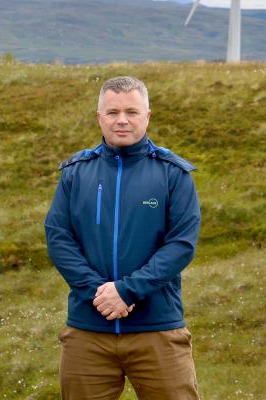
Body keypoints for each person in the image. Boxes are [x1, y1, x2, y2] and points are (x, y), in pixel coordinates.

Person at [44, 76, 202, 399]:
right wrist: (100, 294)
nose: (122, 120)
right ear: (98, 117)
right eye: (113, 112)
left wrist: (127, 291)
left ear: (148, 116)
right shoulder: (75, 173)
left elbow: (181, 245)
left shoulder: (173, 174)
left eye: (131, 111)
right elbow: (58, 238)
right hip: (88, 331)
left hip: (157, 330)